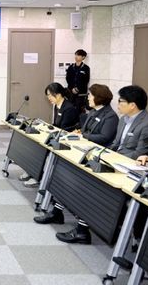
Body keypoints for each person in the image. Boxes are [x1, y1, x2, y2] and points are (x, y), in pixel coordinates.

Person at [34, 84, 120, 244]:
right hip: (84, 150)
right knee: (64, 175)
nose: (88, 98)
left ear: (99, 97)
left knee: (80, 184)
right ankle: (57, 212)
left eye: (90, 95)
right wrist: (80, 132)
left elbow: (104, 138)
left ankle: (82, 230)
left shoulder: (110, 116)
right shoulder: (93, 112)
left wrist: (84, 136)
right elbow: (86, 130)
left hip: (96, 157)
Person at [20, 82, 80, 187]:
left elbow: (64, 129)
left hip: (66, 140)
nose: (48, 98)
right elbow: (56, 125)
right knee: (35, 144)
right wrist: (45, 127)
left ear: (58, 94)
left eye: (50, 95)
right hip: (58, 135)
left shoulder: (69, 108)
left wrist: (50, 130)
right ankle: (33, 171)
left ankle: (38, 177)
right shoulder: (57, 106)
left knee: (41, 148)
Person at [109, 85, 148, 159]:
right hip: (115, 157)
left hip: (129, 161)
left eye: (120, 101)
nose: (118, 105)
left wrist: (115, 158)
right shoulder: (123, 119)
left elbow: (140, 153)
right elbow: (115, 143)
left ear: (132, 105)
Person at [65, 49, 90, 113]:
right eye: (75, 55)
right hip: (70, 92)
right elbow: (68, 78)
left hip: (81, 93)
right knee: (70, 109)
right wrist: (72, 88)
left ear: (83, 57)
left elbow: (86, 80)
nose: (76, 57)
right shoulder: (71, 67)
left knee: (79, 110)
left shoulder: (86, 68)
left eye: (78, 55)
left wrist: (77, 89)